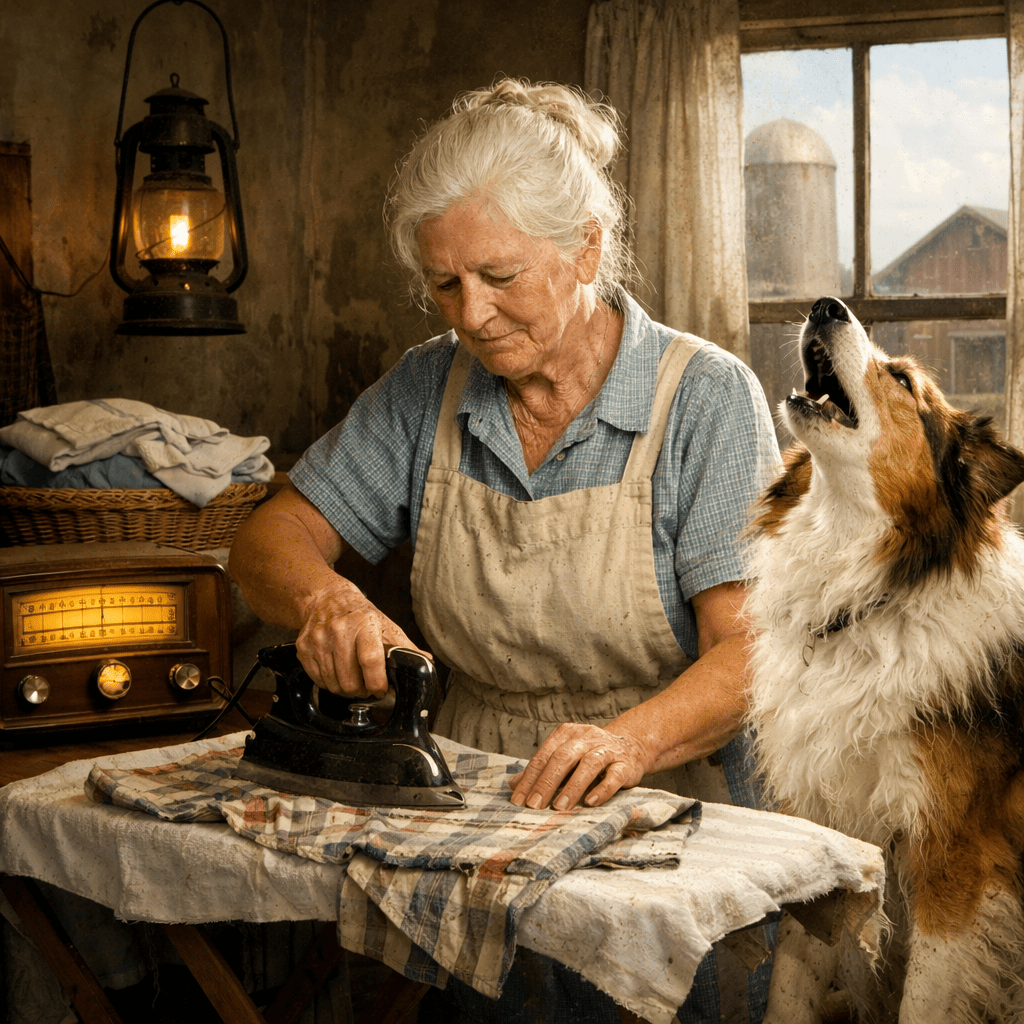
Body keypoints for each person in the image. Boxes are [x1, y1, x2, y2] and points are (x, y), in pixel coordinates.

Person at [230, 78, 780, 1024]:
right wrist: (331, 602)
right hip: (473, 804)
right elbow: (267, 537)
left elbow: (752, 653)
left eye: (499, 276)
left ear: (585, 251)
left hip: (660, 809)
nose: (470, 315)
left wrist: (628, 739)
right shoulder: (426, 390)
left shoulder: (704, 399)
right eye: (446, 283)